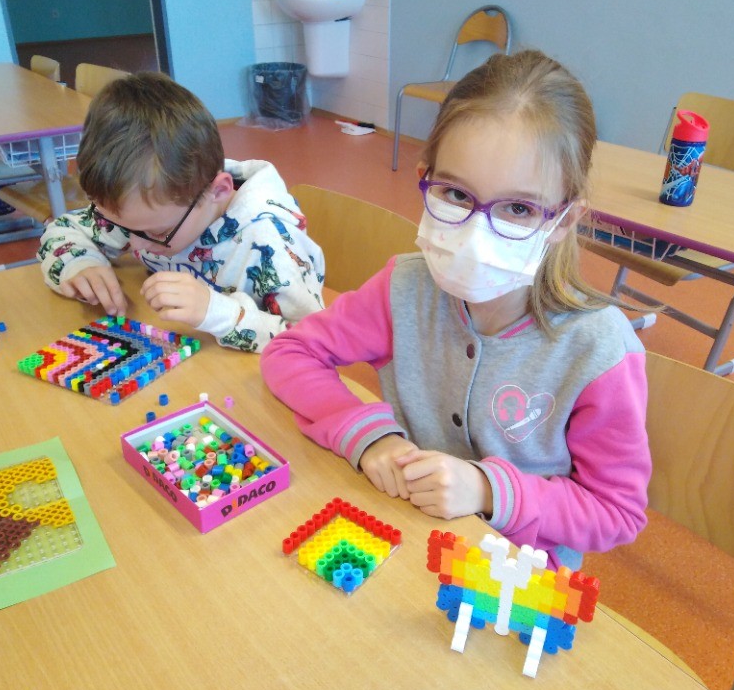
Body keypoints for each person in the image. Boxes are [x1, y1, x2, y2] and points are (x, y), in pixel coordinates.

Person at [260, 50, 650, 569]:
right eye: (456, 194)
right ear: (426, 178)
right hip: (407, 535)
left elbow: (616, 512)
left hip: (516, 573)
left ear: (563, 220)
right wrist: (370, 437)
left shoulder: (597, 347)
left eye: (518, 208)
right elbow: (290, 353)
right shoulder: (405, 288)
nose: (476, 232)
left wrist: (487, 490)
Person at [37, 72, 325, 353]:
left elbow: (314, 341)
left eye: (158, 232)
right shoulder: (149, 212)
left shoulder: (269, 242)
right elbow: (64, 229)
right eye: (123, 228)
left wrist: (218, 312)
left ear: (218, 191)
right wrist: (81, 264)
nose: (134, 245)